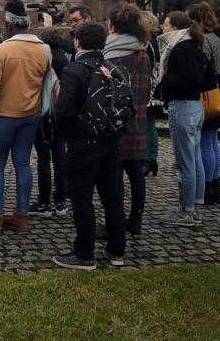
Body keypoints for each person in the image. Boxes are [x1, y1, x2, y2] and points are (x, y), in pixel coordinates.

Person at [52, 23, 127, 270]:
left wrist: (64, 134)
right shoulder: (114, 69)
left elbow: (62, 110)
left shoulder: (75, 70)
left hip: (82, 143)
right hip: (112, 142)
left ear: (78, 43)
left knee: (82, 198)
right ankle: (117, 249)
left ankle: (84, 253)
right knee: (112, 197)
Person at [0, 0, 49, 235]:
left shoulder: (2, 50)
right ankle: (21, 216)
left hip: (2, 115)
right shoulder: (42, 50)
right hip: (31, 114)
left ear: (9, 24)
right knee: (23, 164)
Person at [154, 11, 216, 227]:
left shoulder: (180, 48)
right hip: (195, 106)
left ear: (175, 28)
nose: (163, 28)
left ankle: (186, 210)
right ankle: (195, 205)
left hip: (182, 106)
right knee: (195, 158)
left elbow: (191, 78)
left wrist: (166, 82)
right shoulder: (195, 45)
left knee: (185, 162)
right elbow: (206, 78)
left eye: (166, 24)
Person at [103, 2, 151, 236]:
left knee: (115, 175)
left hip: (116, 122)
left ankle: (117, 221)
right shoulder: (143, 54)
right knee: (136, 173)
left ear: (113, 26)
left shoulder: (110, 57)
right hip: (138, 120)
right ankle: (136, 219)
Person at [30, 27, 73, 217]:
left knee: (43, 158)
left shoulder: (42, 60)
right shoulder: (66, 61)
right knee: (60, 156)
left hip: (44, 113)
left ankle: (44, 201)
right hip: (61, 115)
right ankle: (61, 201)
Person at [188, 2, 220, 205]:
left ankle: (209, 185)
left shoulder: (203, 41)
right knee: (212, 142)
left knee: (205, 143)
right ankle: (215, 183)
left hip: (207, 93)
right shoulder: (216, 38)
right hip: (218, 91)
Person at [139, 11, 163, 177]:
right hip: (153, 88)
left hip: (148, 89)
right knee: (149, 124)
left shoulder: (148, 44)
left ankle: (150, 159)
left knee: (147, 124)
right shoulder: (154, 42)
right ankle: (150, 159)